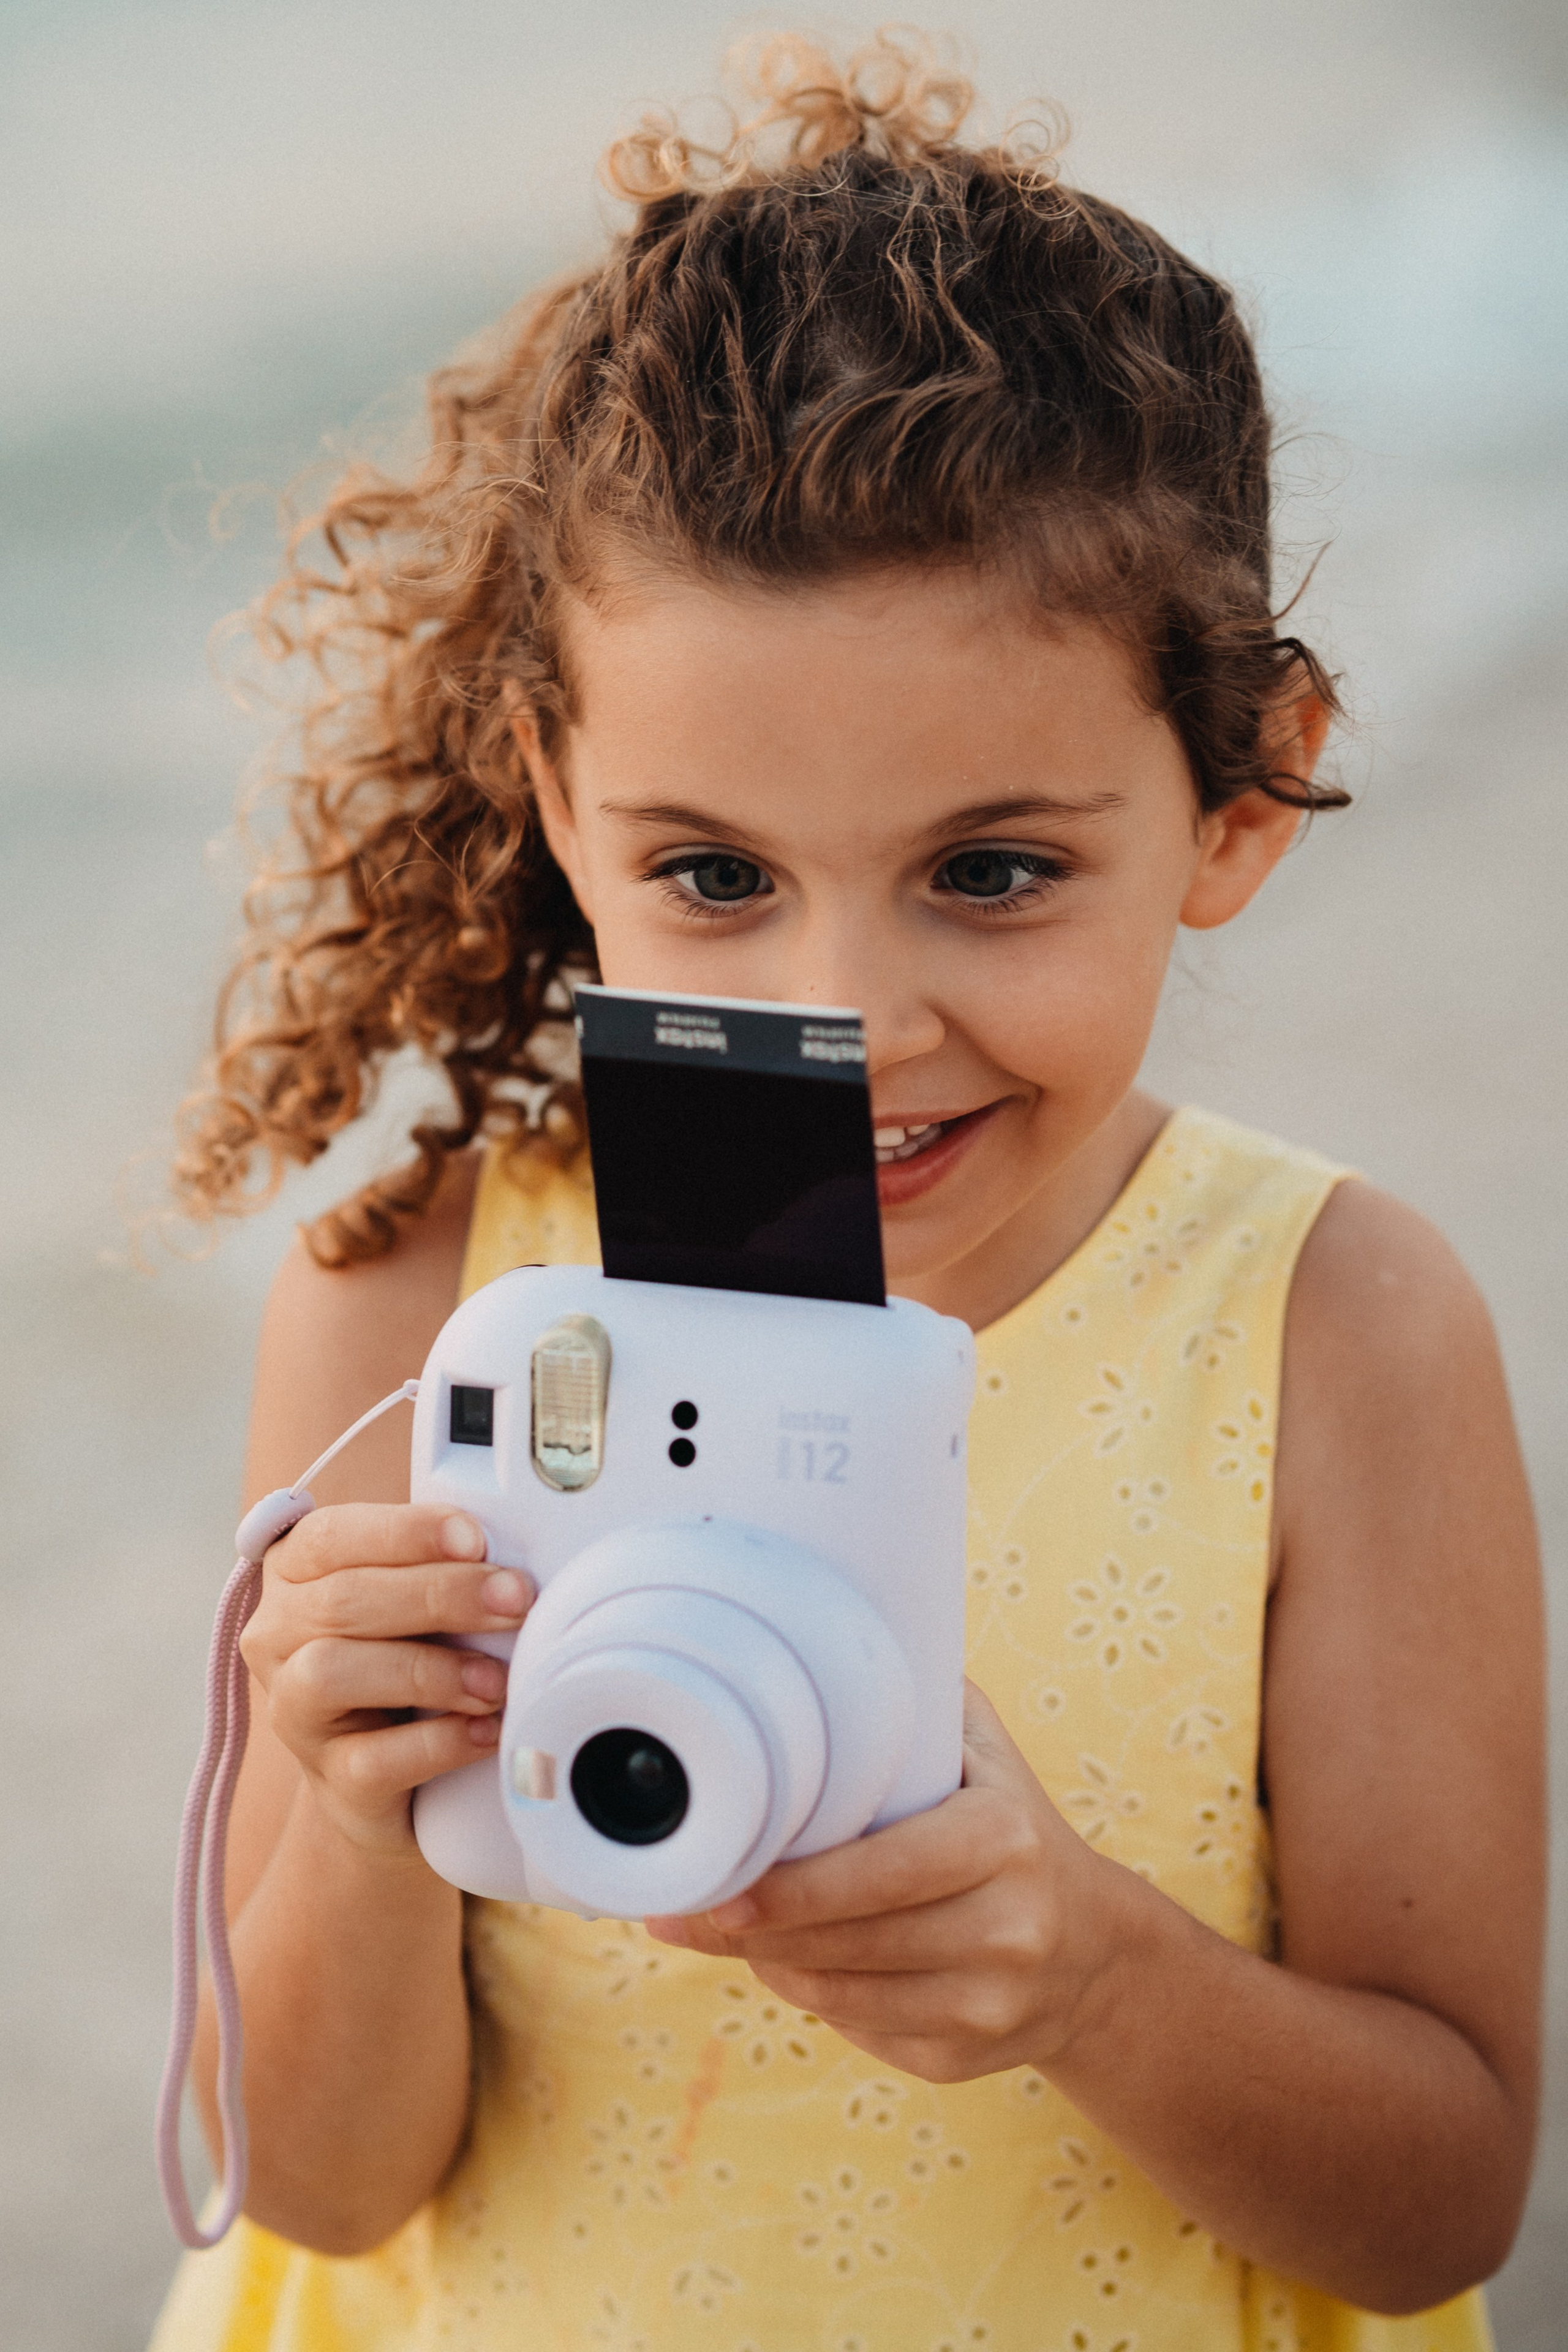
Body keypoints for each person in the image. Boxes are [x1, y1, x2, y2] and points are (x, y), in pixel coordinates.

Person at [151, 32, 1544, 2352]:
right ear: (557, 799)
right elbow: (314, 2177)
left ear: (1242, 800)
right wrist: (355, 1808)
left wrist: (1094, 1976)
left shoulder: (1339, 1329)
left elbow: (1442, 2197)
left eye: (990, 871)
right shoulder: (413, 1302)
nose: (847, 1012)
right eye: (712, 873)